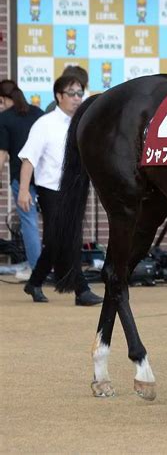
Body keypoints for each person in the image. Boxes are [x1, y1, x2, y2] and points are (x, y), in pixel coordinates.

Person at [17, 74, 103, 306]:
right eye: (71, 94)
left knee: (57, 241)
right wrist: (23, 190)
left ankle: (34, 282)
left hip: (75, 190)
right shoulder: (44, 124)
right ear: (58, 96)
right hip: (50, 189)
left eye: (79, 93)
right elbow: (28, 159)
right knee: (65, 239)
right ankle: (81, 290)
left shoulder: (82, 124)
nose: (77, 99)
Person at [0, 80, 43, 280]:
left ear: (2, 99)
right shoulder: (38, 113)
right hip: (44, 177)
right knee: (49, 222)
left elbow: (1, 155)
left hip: (21, 177)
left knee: (29, 223)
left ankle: (36, 269)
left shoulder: (4, 119)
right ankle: (48, 265)